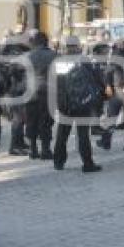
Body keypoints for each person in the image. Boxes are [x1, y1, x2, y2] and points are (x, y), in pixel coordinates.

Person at [52, 36, 108, 172]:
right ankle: (88, 164)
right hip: (83, 103)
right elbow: (97, 79)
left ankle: (58, 162)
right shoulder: (85, 61)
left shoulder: (58, 62)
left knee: (62, 134)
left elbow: (54, 84)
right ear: (78, 46)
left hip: (65, 104)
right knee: (83, 135)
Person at [26, 31, 56, 160]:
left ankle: (33, 149)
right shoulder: (54, 55)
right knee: (46, 121)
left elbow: (14, 71)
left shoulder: (27, 56)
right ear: (46, 41)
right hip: (49, 92)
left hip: (30, 92)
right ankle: (45, 149)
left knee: (31, 120)